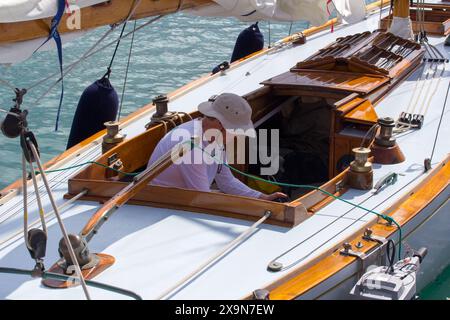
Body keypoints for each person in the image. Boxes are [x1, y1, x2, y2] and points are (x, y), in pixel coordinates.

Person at [147, 93, 287, 201]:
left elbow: (226, 181)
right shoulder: (192, 146)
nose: (237, 136)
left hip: (188, 198)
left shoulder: (214, 138)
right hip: (163, 203)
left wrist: (263, 198)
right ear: (221, 125)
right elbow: (203, 198)